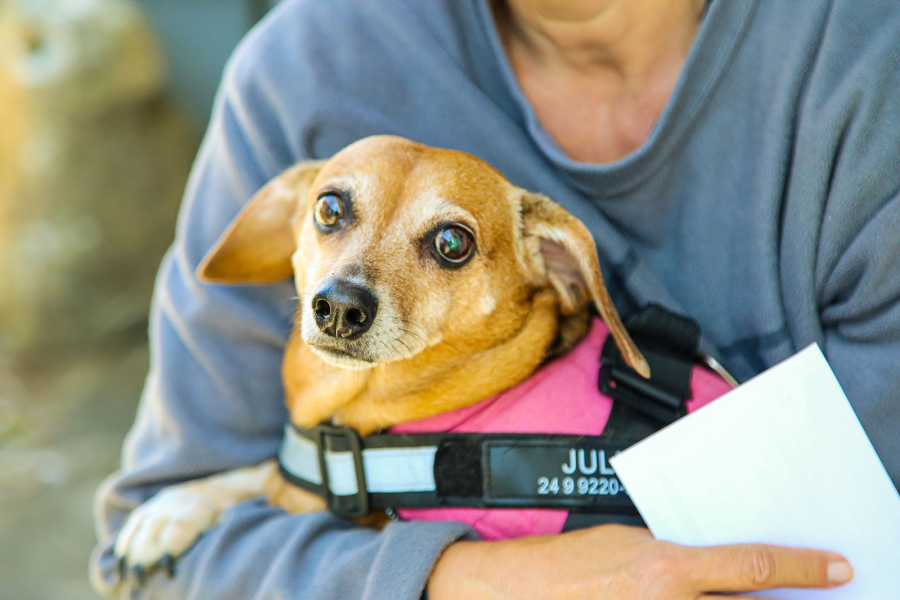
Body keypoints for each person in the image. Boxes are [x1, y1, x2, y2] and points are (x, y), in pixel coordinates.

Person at [91, 0, 900, 598]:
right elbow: (153, 565)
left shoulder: (863, 72)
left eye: (447, 245)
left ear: (558, 270)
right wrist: (468, 582)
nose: (348, 296)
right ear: (291, 222)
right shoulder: (299, 71)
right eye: (335, 213)